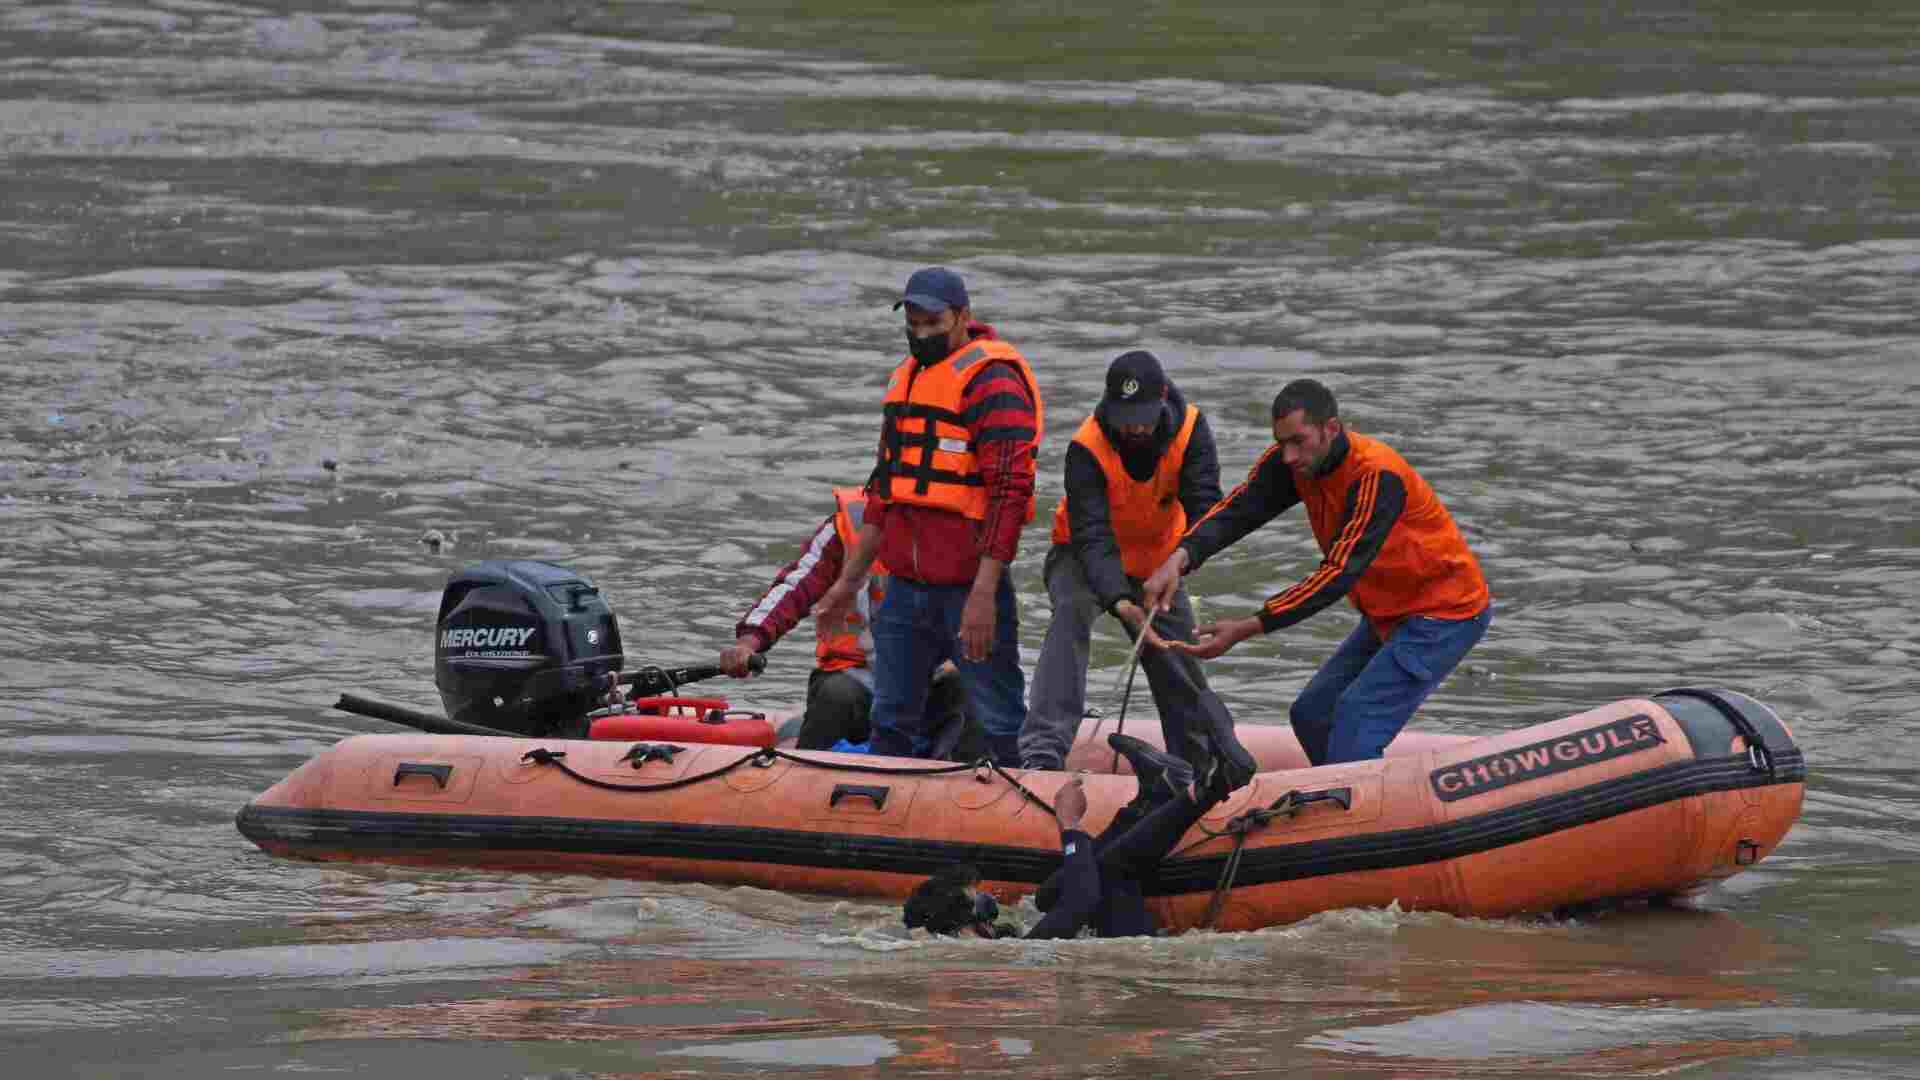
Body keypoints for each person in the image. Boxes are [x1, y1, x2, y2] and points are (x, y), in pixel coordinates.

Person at [1141, 378, 1492, 766]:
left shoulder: (1376, 476)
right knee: (1311, 716)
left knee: (1356, 721)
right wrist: (1179, 557)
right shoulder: (1295, 465)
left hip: (1442, 613)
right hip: (1387, 611)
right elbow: (1238, 511)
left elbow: (1338, 573)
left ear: (1331, 429)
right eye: (1281, 443)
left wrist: (1251, 625)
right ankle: (1334, 804)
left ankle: (1358, 814)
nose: (1289, 456)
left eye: (1298, 441)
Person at [813, 267, 1044, 767]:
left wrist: (984, 596)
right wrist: (847, 585)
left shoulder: (993, 382)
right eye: (912, 324)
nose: (920, 334)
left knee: (999, 716)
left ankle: (1017, 811)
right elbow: (883, 493)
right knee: (890, 717)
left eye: (931, 323)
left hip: (968, 589)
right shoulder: (906, 379)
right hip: (903, 591)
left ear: (962, 317)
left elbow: (1008, 495)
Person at [1020, 350, 1254, 790]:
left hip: (1160, 562)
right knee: (1071, 613)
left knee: (1175, 651)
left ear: (1163, 400)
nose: (1135, 427)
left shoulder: (1192, 430)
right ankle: (1042, 752)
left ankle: (1198, 763)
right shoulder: (1086, 446)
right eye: (1125, 417)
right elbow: (1092, 536)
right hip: (1081, 556)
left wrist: (1178, 563)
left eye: (1144, 416)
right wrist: (1122, 603)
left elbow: (1208, 509)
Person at [719, 486, 983, 761]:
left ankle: (971, 785)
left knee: (973, 692)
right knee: (837, 695)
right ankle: (803, 782)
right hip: (858, 676)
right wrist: (749, 641)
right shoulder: (847, 525)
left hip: (936, 681)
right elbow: (796, 586)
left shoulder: (970, 527)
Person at [902, 734, 1218, 939]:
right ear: (961, 932)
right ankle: (1210, 790)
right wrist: (1069, 823)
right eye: (983, 906)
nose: (993, 914)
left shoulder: (1004, 944)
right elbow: (1081, 901)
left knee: (1049, 893)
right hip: (1132, 944)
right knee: (1108, 873)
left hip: (1112, 929)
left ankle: (1151, 799)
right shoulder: (1023, 955)